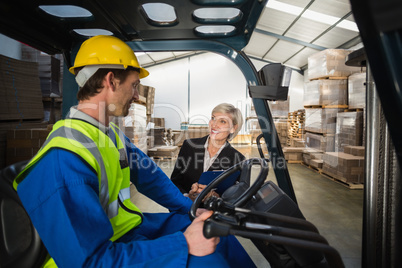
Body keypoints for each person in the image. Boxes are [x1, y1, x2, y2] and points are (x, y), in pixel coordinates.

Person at [13, 35, 255, 267]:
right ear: (111, 81)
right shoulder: (64, 158)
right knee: (209, 260)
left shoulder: (108, 136)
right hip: (105, 252)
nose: (138, 95)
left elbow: (151, 177)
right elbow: (89, 262)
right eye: (134, 85)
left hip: (128, 230)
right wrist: (182, 243)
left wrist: (189, 208)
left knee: (215, 230)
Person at [171, 103, 245, 200]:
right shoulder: (189, 146)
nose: (214, 125)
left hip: (213, 213)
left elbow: (238, 196)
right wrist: (186, 197)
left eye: (222, 121)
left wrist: (217, 198)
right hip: (185, 209)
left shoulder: (238, 159)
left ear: (233, 128)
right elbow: (175, 182)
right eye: (213, 118)